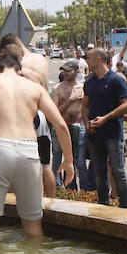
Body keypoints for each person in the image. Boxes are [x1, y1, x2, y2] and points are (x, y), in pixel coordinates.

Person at [0, 53, 75, 243]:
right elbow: (60, 125)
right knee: (33, 223)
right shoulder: (34, 88)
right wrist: (68, 161)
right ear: (19, 70)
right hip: (29, 151)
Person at [0, 34, 55, 196]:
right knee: (45, 164)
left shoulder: (21, 65)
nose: (4, 58)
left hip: (27, 116)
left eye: (3, 54)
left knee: (14, 163)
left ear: (10, 48)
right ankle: (52, 202)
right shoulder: (40, 58)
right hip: (43, 114)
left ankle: (15, 202)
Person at [82, 47, 127, 208]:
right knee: (99, 172)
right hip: (94, 135)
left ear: (99, 59)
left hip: (112, 134)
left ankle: (126, 205)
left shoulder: (116, 80)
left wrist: (105, 119)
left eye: (88, 57)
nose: (85, 60)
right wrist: (86, 122)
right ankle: (104, 203)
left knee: (118, 171)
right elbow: (85, 105)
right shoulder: (89, 81)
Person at [51, 60, 86, 189]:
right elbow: (54, 112)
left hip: (79, 126)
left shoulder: (82, 87)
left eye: (68, 70)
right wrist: (70, 100)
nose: (65, 73)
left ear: (77, 71)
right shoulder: (58, 88)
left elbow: (87, 108)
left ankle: (78, 188)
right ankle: (56, 186)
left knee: (78, 160)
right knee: (57, 156)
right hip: (61, 126)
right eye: (64, 70)